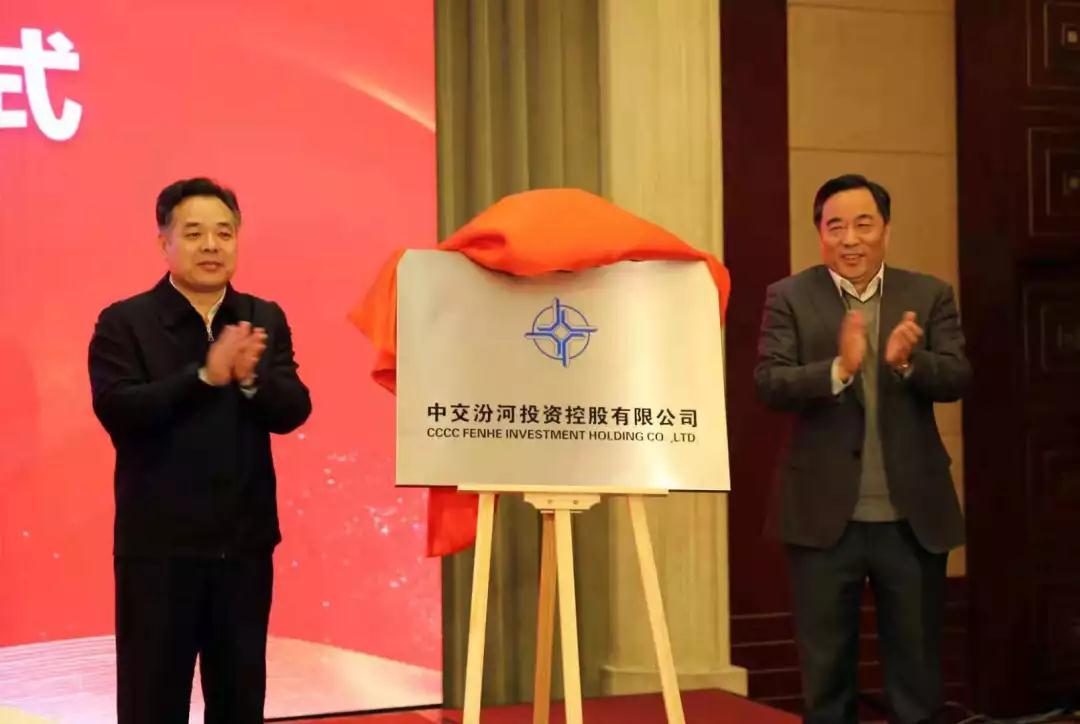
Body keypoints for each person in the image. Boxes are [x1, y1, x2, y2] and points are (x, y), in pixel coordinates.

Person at [88, 177, 311, 724]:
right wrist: (205, 377)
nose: (211, 245)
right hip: (158, 550)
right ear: (164, 242)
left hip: (243, 547)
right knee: (151, 702)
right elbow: (119, 409)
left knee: (239, 702)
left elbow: (293, 410)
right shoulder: (125, 322)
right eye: (193, 233)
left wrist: (251, 378)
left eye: (224, 233)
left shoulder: (262, 316)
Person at [755, 174, 970, 724]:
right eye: (835, 227)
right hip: (822, 519)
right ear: (820, 234)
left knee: (916, 679)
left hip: (911, 519)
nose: (849, 239)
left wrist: (907, 362)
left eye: (863, 224)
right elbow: (770, 383)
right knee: (827, 680)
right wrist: (838, 369)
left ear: (886, 231)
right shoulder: (789, 297)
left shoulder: (928, 295)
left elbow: (957, 376)